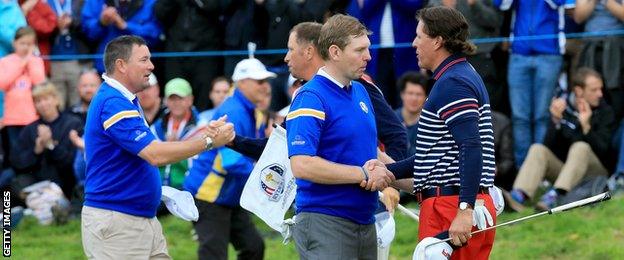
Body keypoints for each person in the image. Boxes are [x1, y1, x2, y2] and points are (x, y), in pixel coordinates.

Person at [81, 35, 234, 259]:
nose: (151, 66)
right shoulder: (113, 103)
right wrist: (209, 141)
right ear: (121, 65)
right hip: (119, 224)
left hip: (136, 220)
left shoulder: (122, 99)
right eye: (144, 60)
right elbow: (154, 154)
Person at [374, 7, 497, 259]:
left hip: (449, 207)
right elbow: (434, 157)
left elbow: (471, 146)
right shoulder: (459, 75)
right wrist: (388, 171)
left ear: (438, 40)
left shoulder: (453, 82)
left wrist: (464, 209)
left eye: (419, 36)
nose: (414, 43)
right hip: (453, 204)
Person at [286, 14, 395, 259]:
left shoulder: (359, 91)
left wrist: (420, 181)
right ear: (335, 52)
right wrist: (363, 174)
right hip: (326, 221)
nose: (368, 56)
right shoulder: (311, 97)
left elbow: (372, 154)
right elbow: (302, 164)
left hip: (365, 221)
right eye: (360, 50)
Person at [229, 21, 408, 163]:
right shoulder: (306, 95)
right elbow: (281, 146)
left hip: (366, 201)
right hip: (322, 202)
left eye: (291, 49)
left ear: (308, 52)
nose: (286, 57)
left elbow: (396, 135)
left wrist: (390, 180)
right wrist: (233, 140)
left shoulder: (358, 87)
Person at [183, 58, 275, 260]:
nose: (265, 86)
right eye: (259, 81)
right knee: (215, 256)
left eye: (265, 81)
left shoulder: (248, 109)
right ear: (241, 83)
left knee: (254, 247)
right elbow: (231, 161)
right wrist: (264, 177)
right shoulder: (234, 111)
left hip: (228, 195)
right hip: (209, 196)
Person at [506, 68, 615, 211]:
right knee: (538, 149)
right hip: (567, 173)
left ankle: (555, 197)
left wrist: (586, 127)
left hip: (594, 173)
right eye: (594, 90)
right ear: (579, 91)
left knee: (581, 147)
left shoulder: (605, 111)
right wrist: (556, 122)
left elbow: (604, 151)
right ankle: (519, 197)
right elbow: (548, 147)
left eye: (600, 89)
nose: (600, 94)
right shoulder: (562, 109)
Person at [494, 0, 570, 168]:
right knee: (520, 117)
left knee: (542, 116)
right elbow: (500, 4)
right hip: (519, 55)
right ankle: (524, 172)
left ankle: (540, 172)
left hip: (549, 54)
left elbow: (561, 3)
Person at [10, 81, 82, 199]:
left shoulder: (73, 124)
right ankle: (8, 216)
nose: (43, 104)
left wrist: (51, 145)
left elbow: (72, 161)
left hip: (64, 180)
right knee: (12, 183)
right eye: (38, 101)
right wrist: (36, 151)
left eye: (46, 99)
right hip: (36, 181)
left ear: (56, 100)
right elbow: (16, 161)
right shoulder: (30, 129)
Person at [0, 26, 45, 164]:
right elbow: (3, 83)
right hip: (12, 119)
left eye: (29, 44)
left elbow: (39, 82)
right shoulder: (5, 61)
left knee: (32, 152)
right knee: (15, 154)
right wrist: (22, 64)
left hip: (32, 117)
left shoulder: (36, 61)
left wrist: (30, 61)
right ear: (14, 43)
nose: (25, 47)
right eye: (22, 43)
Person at [150, 78, 201, 189]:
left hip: (189, 190)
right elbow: (150, 157)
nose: (176, 103)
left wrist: (173, 147)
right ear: (166, 101)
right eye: (172, 99)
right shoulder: (157, 127)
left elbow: (201, 163)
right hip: (159, 189)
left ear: (190, 100)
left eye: (180, 98)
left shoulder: (202, 127)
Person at [394, 71, 429, 155]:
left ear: (426, 97)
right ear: (402, 94)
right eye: (410, 93)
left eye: (419, 94)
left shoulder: (429, 123)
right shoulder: (392, 119)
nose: (414, 98)